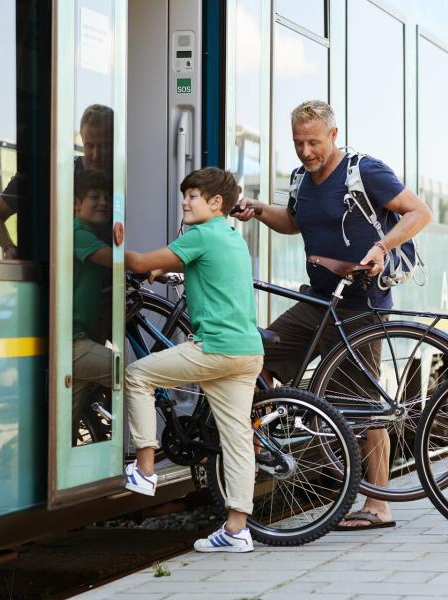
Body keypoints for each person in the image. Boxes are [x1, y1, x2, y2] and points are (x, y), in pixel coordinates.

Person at [233, 100, 433, 531]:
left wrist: (381, 248)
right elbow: (292, 221)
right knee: (251, 361)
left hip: (361, 307)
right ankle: (249, 463)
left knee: (361, 409)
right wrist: (257, 210)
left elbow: (419, 212)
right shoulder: (301, 179)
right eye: (298, 143)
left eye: (314, 142)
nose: (306, 151)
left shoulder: (365, 171)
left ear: (333, 136)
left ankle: (378, 505)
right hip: (318, 302)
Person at [124, 167, 263, 553]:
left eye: (192, 196)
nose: (184, 202)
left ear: (216, 202)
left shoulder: (200, 235)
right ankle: (237, 531)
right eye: (184, 195)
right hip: (247, 352)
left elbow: (137, 261)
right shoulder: (230, 237)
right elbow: (194, 263)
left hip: (215, 348)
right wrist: (164, 266)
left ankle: (145, 469)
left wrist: (105, 252)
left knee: (138, 375)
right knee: (236, 438)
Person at [0, 104, 114, 258]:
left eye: (104, 146)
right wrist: (9, 248)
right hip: (53, 276)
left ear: (115, 143)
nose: (96, 154)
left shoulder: (124, 179)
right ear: (82, 140)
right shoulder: (48, 175)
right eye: (90, 146)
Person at [71, 169, 113, 445]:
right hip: (73, 344)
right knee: (135, 376)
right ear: (76, 204)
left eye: (108, 198)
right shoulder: (78, 233)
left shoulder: (88, 233)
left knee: (65, 421)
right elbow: (118, 260)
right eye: (94, 197)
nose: (103, 202)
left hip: (79, 341)